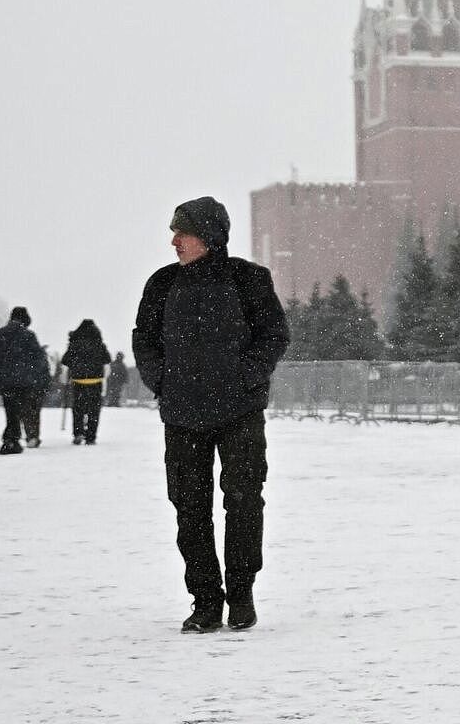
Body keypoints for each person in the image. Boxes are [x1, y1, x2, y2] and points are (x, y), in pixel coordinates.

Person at [133, 196, 290, 634]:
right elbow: (144, 340)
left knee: (243, 502)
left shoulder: (248, 279)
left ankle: (241, 595)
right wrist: (162, 381)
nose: (174, 242)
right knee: (190, 509)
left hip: (240, 413)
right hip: (182, 416)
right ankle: (205, 601)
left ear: (208, 236)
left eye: (182, 233)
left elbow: (274, 334)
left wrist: (246, 376)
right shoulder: (162, 284)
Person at [0, 307, 49, 453]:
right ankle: (20, 437)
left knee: (10, 410)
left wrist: (4, 360)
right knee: (26, 409)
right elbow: (38, 358)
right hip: (25, 380)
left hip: (6, 379)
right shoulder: (29, 335)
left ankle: (11, 437)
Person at [63, 320, 111, 445]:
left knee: (78, 408)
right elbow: (107, 360)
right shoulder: (99, 344)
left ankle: (78, 432)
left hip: (78, 380)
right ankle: (91, 436)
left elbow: (65, 360)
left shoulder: (74, 344)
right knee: (94, 409)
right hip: (95, 381)